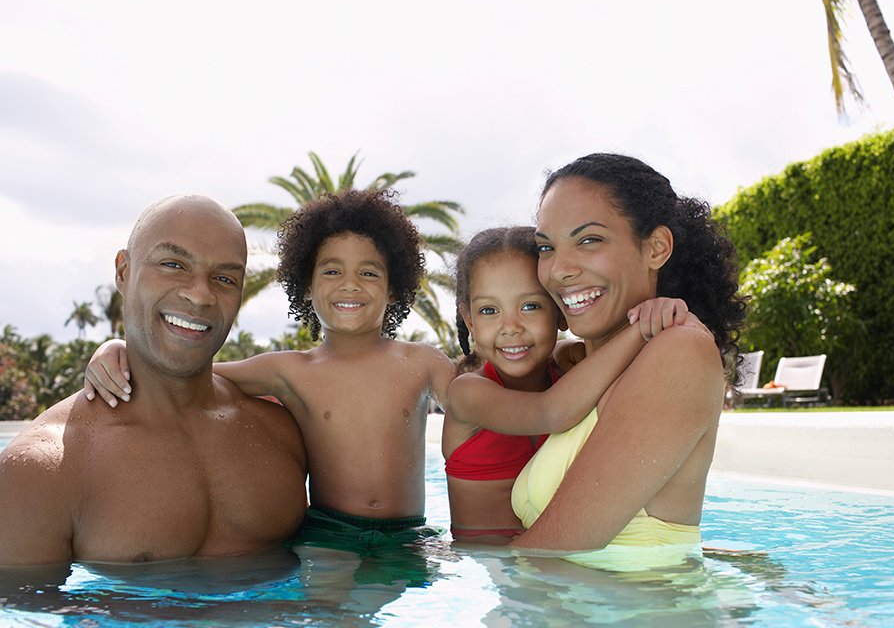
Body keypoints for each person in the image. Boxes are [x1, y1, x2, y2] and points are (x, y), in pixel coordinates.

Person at [83, 188, 455, 552]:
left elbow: (477, 399)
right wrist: (118, 350)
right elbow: (196, 373)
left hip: (409, 534)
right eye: (331, 271)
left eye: (370, 274)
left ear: (394, 289)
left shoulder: (421, 362)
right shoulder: (291, 370)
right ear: (306, 287)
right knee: (330, 611)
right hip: (330, 534)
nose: (350, 284)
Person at [0, 195, 308, 566]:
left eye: (224, 278)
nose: (200, 294)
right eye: (173, 264)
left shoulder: (281, 431)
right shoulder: (42, 470)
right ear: (123, 272)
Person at [509, 153, 746, 571]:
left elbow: (555, 546)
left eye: (588, 240)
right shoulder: (578, 370)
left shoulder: (680, 352)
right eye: (546, 247)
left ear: (656, 248)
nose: (559, 270)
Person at [443, 226, 699, 543]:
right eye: (489, 311)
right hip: (482, 567)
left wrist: (659, 311)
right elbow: (551, 412)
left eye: (530, 306)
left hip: (548, 560)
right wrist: (640, 329)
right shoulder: (467, 393)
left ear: (560, 313)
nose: (510, 328)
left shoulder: (569, 370)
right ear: (470, 320)